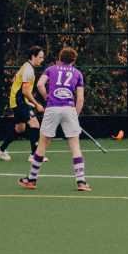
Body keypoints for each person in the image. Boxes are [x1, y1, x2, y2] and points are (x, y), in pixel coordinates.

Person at [23, 46, 88, 192]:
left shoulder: (50, 69)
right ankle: (81, 182)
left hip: (52, 108)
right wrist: (75, 115)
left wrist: (47, 97)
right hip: (69, 108)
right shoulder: (77, 73)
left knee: (43, 144)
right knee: (75, 146)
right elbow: (80, 99)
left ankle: (32, 179)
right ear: (73, 60)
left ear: (59, 58)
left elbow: (40, 84)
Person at [0, 46, 45, 161]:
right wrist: (37, 104)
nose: (42, 60)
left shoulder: (25, 66)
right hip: (19, 101)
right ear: (33, 57)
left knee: (20, 128)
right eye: (40, 57)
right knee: (35, 124)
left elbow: (15, 80)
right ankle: (34, 155)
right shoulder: (29, 70)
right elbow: (25, 91)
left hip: (16, 100)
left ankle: (1, 150)